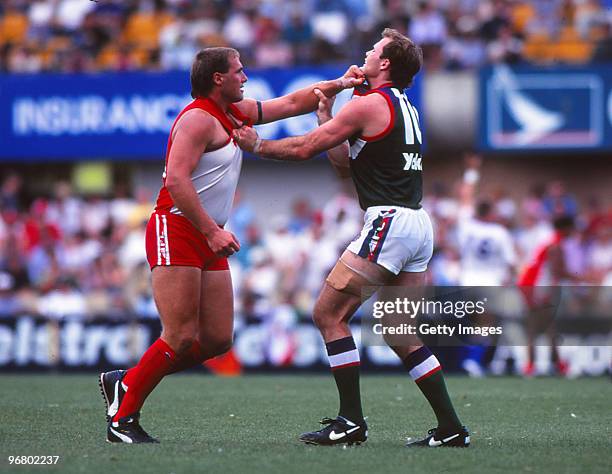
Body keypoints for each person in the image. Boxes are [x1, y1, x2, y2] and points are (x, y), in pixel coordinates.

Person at [99, 46, 364, 444]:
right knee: (180, 334)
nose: (245, 76)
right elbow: (176, 182)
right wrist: (210, 231)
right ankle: (123, 419)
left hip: (207, 233)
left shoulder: (233, 112)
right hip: (178, 229)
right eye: (239, 71)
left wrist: (341, 84)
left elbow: (292, 102)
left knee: (218, 339)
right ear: (217, 79)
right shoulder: (197, 120)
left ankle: (128, 381)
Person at [233, 29, 469, 448]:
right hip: (416, 222)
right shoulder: (400, 104)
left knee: (327, 314)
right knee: (399, 331)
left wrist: (258, 146)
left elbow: (307, 148)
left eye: (373, 51)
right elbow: (344, 165)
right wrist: (326, 117)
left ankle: (350, 421)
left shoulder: (370, 103)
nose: (366, 54)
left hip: (389, 222)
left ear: (385, 65)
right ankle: (451, 428)